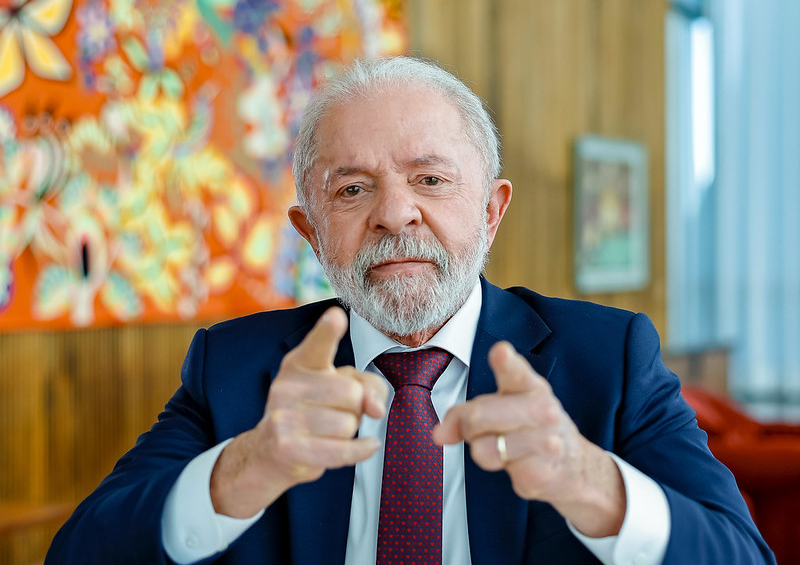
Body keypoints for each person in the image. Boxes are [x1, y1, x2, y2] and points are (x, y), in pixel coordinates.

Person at [46, 56, 775, 564]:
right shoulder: (234, 370)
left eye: (430, 178)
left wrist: (586, 478)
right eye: (352, 189)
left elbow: (742, 555)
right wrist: (242, 468)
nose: (397, 214)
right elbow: (79, 552)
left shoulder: (608, 358)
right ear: (311, 232)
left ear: (491, 212)